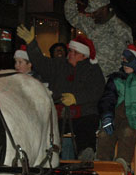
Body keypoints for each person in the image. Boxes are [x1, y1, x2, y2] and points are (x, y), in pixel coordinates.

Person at [17, 24, 104, 158]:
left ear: (84, 55)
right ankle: (45, 158)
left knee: (87, 127)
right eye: (70, 51)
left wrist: (76, 98)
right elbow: (41, 63)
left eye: (74, 52)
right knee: (45, 130)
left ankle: (85, 155)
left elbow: (97, 90)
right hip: (60, 114)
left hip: (84, 113)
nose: (70, 54)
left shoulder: (93, 70)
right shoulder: (59, 64)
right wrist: (31, 44)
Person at [64, 0, 133, 80]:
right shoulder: (91, 23)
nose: (92, 15)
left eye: (95, 12)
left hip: (108, 81)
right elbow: (72, 16)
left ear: (104, 9)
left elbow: (126, 59)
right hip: (88, 77)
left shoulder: (121, 29)